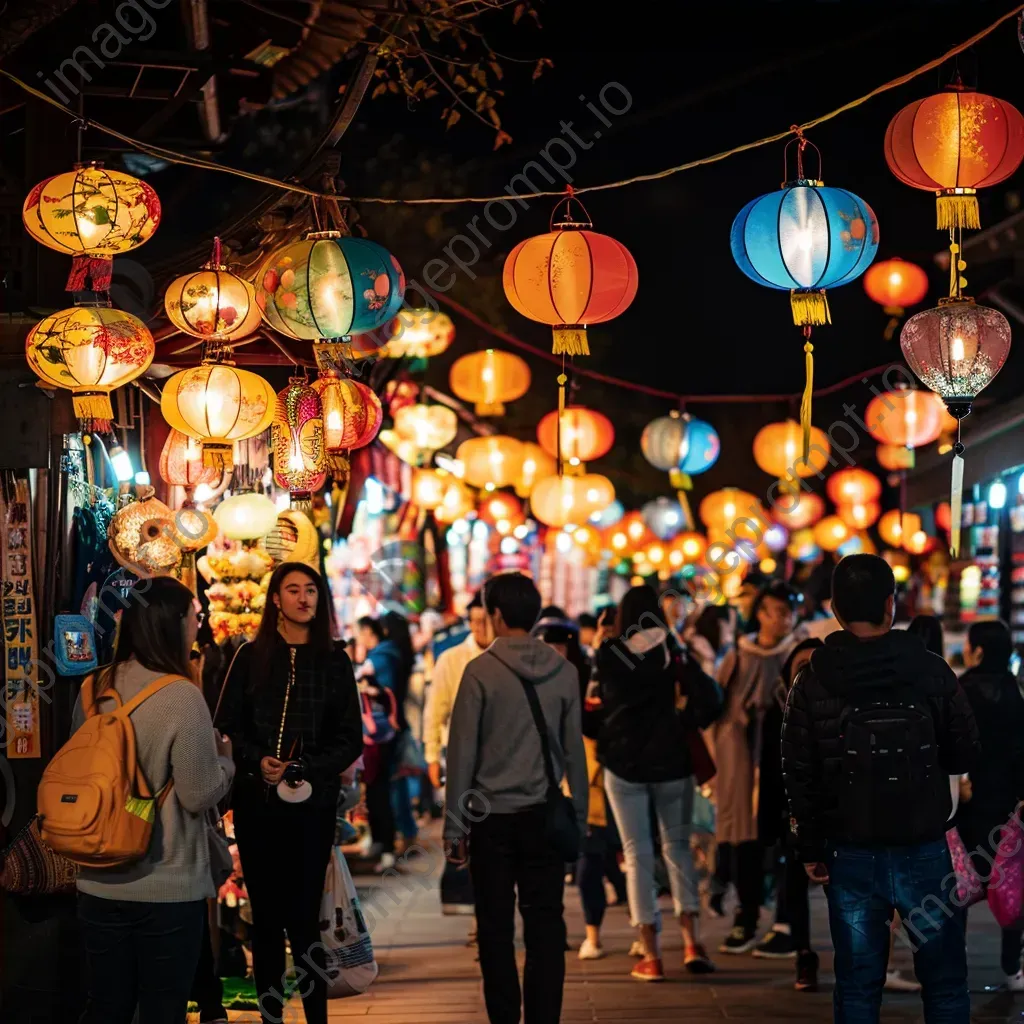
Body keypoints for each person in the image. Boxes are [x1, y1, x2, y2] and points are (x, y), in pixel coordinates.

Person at [782, 553, 979, 1024]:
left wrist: (809, 846)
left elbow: (798, 770)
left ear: (834, 609)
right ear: (892, 605)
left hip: (849, 848)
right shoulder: (931, 669)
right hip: (924, 843)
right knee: (946, 981)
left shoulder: (813, 678)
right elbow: (965, 751)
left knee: (856, 984)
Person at [74, 577, 235, 1024]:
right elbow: (197, 791)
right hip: (166, 884)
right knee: (162, 1010)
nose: (198, 627)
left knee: (107, 1007)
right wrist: (227, 763)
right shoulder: (182, 696)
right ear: (172, 622)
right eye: (195, 617)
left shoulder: (94, 688)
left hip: (97, 880)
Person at [217, 562, 363, 1024]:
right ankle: (271, 1016)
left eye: (312, 590)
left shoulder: (335, 660)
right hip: (257, 806)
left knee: (304, 916)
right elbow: (227, 725)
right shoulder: (249, 656)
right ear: (275, 599)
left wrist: (308, 768)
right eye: (293, 590)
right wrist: (257, 760)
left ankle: (316, 1015)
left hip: (312, 808)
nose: (304, 598)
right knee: (266, 917)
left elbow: (350, 739)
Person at [444, 573, 587, 1024]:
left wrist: (455, 827)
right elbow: (575, 753)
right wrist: (578, 817)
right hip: (545, 817)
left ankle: (505, 1018)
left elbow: (461, 754)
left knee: (495, 929)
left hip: (491, 822)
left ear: (497, 615)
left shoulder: (480, 672)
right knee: (547, 926)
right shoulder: (564, 671)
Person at [596, 584, 723, 980]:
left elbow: (597, 702)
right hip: (672, 760)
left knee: (637, 855)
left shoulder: (609, 652)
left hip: (623, 763)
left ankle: (650, 955)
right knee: (678, 849)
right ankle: (692, 943)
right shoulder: (672, 648)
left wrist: (603, 642)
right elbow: (708, 697)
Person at [533, 614, 626, 960]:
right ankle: (574, 931)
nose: (555, 653)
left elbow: (594, 722)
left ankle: (600, 931)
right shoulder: (529, 681)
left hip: (592, 776)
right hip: (548, 783)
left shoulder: (587, 678)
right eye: (548, 646)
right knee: (574, 858)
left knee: (597, 855)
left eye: (560, 646)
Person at [713, 580, 799, 954]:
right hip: (742, 761)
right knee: (743, 838)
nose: (783, 619)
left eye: (788, 612)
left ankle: (784, 922)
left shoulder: (798, 653)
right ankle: (745, 917)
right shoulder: (738, 654)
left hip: (783, 762)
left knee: (785, 842)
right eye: (777, 611)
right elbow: (717, 705)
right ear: (760, 614)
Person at [955, 619, 1024, 989]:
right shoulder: (1014, 692)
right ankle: (1012, 968)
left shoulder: (961, 688)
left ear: (978, 650)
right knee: (1013, 883)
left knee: (962, 883)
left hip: (968, 801)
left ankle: (956, 958)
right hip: (1007, 806)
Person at [759, 637, 823, 991]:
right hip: (793, 812)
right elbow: (769, 770)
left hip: (835, 811)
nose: (808, 675)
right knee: (794, 886)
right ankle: (804, 954)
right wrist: (767, 823)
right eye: (802, 667)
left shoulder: (840, 707)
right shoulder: (777, 710)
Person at [423, 591, 490, 788]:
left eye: (485, 621)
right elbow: (435, 712)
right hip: (461, 754)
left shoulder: (505, 659)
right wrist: (432, 757)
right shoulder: (451, 659)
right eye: (475, 621)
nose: (480, 627)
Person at [355, 615, 403, 867]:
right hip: (379, 735)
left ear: (368, 632)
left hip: (378, 736)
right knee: (376, 789)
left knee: (379, 789)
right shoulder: (390, 655)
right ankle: (380, 842)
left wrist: (365, 688)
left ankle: (386, 846)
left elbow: (385, 690)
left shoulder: (379, 658)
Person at [381, 610, 419, 849]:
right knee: (399, 780)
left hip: (390, 725)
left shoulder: (388, 656)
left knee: (395, 781)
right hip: (400, 722)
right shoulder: (404, 654)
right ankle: (408, 831)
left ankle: (405, 831)